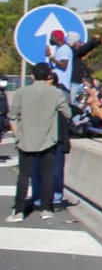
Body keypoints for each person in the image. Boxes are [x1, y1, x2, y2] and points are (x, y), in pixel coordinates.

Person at [8, 63, 70, 222]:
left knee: (23, 176)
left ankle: (19, 210)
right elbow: (67, 113)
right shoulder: (56, 93)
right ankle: (46, 208)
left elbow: (13, 116)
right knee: (48, 175)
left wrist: (17, 136)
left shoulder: (22, 92)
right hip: (48, 140)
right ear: (49, 76)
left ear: (32, 76)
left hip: (26, 140)